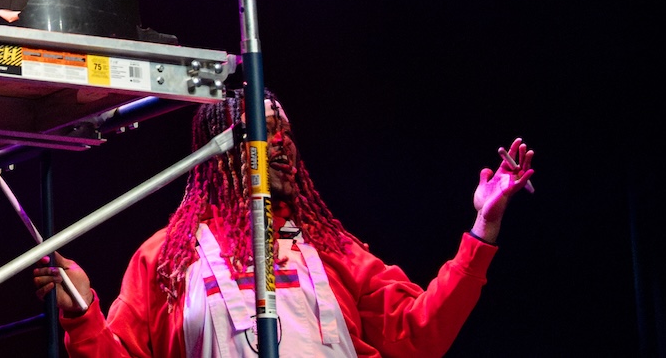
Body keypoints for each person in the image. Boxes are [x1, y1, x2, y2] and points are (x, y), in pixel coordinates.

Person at [33, 92, 534, 358]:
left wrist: (481, 231)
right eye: (266, 132)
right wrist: (81, 313)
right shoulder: (166, 259)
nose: (284, 145)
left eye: (287, 133)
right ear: (224, 152)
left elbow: (419, 334)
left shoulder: (327, 246)